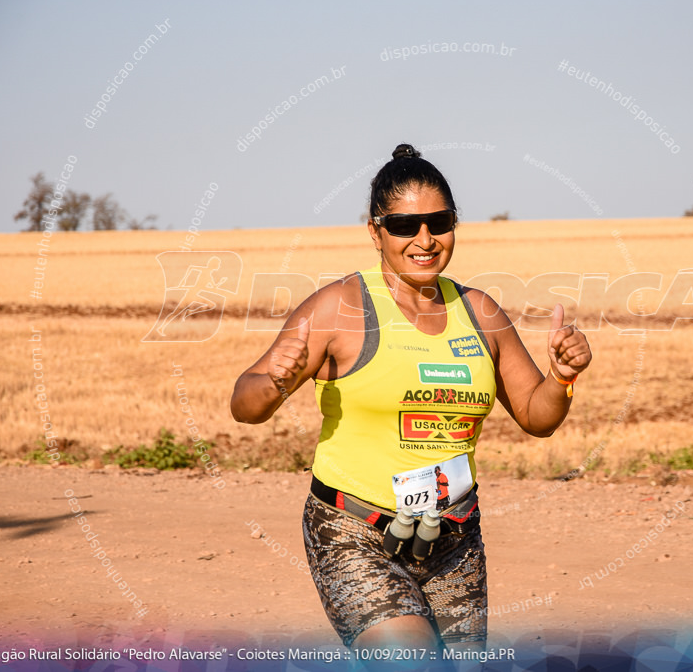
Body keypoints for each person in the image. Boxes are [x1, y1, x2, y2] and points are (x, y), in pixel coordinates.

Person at [231, 143, 591, 656]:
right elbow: (244, 403)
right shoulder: (341, 306)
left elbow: (538, 416)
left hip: (454, 539)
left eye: (438, 222)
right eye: (404, 226)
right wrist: (275, 382)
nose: (424, 239)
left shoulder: (479, 311)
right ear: (376, 231)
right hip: (355, 534)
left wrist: (561, 376)